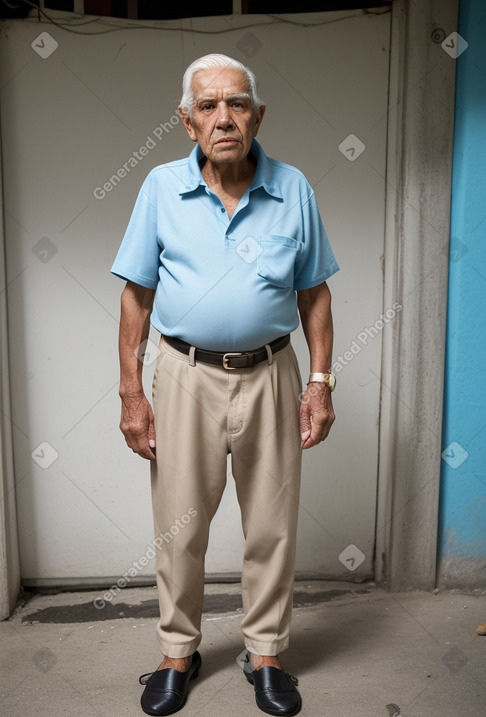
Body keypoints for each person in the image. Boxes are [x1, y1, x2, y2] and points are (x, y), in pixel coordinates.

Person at [111, 53, 339, 717]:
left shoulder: (294, 188)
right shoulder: (158, 188)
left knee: (271, 524)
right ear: (186, 122)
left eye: (237, 103)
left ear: (258, 114)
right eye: (208, 107)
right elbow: (136, 300)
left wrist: (320, 380)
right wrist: (132, 392)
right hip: (185, 376)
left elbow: (316, 296)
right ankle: (178, 651)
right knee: (179, 528)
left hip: (272, 373)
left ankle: (265, 652)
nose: (224, 117)